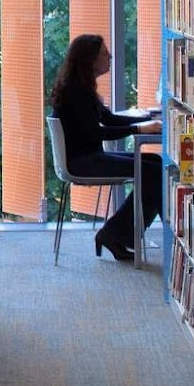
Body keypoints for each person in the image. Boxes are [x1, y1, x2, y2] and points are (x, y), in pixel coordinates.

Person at [49, 33, 162, 263]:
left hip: (88, 156)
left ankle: (121, 234)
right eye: (103, 53)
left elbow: (109, 120)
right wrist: (140, 130)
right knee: (152, 172)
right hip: (82, 162)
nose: (109, 56)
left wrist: (144, 121)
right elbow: (97, 133)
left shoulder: (81, 87)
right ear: (89, 59)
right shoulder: (76, 92)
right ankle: (115, 234)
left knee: (155, 163)